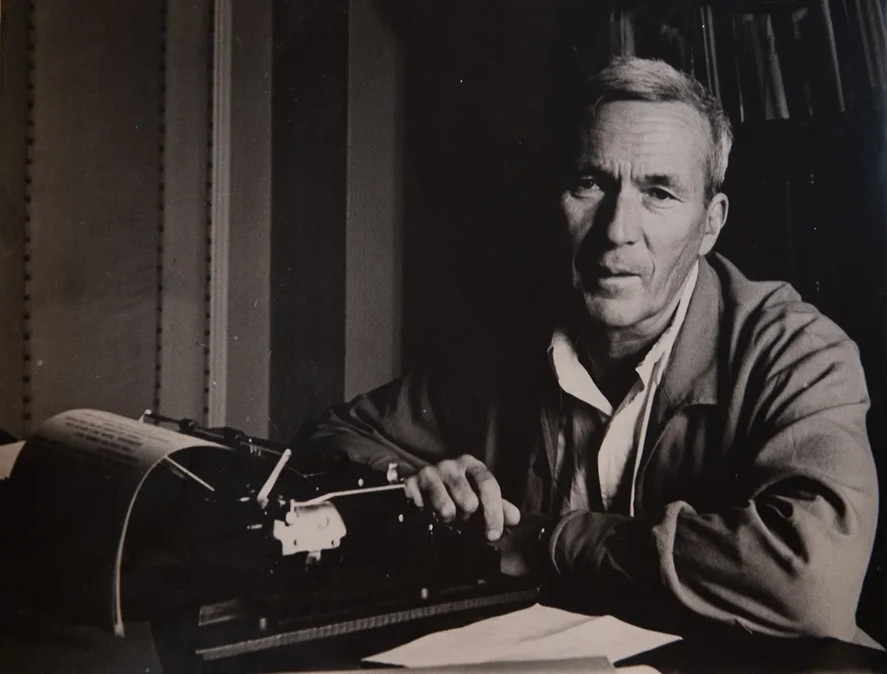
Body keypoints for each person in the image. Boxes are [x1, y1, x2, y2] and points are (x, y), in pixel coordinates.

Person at [305, 57, 878, 642]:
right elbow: (331, 439)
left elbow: (812, 581)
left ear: (711, 224)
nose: (616, 230)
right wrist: (420, 482)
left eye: (659, 193)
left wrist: (549, 542)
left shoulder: (797, 352)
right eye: (591, 184)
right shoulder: (512, 343)